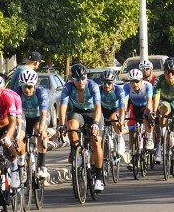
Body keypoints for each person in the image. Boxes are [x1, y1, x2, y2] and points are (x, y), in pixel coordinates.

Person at [58, 64, 105, 192]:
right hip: (77, 113)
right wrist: (61, 124)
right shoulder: (68, 87)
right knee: (71, 127)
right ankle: (75, 151)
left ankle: (99, 178)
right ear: (72, 79)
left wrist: (95, 123)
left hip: (92, 113)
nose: (81, 82)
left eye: (83, 78)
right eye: (77, 79)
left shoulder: (93, 86)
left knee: (96, 142)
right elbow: (63, 106)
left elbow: (97, 108)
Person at [152, 57, 174, 170]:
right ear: (164, 72)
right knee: (163, 111)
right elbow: (156, 98)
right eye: (168, 72)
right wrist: (153, 111)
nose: (170, 75)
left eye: (173, 72)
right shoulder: (159, 80)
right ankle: (162, 141)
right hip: (164, 101)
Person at [17, 69, 51, 178]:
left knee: (39, 130)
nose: (27, 90)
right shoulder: (17, 92)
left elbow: (43, 114)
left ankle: (42, 166)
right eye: (24, 87)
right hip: (24, 117)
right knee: (20, 138)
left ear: (35, 85)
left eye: (30, 87)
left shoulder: (41, 92)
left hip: (39, 116)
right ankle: (24, 166)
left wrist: (41, 129)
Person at [98, 69, 127, 160]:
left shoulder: (119, 90)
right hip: (103, 109)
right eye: (104, 83)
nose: (106, 86)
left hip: (116, 109)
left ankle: (119, 137)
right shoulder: (98, 90)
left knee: (113, 118)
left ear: (113, 82)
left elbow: (122, 107)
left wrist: (121, 120)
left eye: (109, 83)